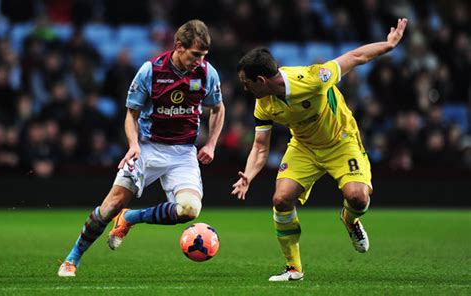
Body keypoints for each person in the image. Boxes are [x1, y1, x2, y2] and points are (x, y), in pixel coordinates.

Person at [232, 18, 408, 281]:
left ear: (261, 80)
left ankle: (350, 220)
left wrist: (388, 45)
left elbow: (355, 56)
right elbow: (260, 147)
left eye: (247, 83)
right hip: (303, 147)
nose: (244, 88)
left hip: (341, 141)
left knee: (358, 198)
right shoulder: (264, 104)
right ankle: (294, 268)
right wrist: (248, 176)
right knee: (281, 199)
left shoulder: (312, 79)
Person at [58, 19, 225, 277]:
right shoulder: (151, 71)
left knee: (190, 209)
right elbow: (131, 114)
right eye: (195, 55)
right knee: (110, 205)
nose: (199, 61)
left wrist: (212, 143)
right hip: (147, 148)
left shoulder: (206, 73)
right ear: (179, 46)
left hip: (182, 153)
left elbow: (218, 108)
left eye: (203, 56)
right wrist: (133, 144)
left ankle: (131, 218)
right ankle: (73, 258)